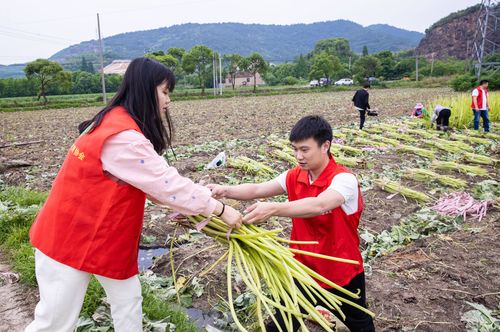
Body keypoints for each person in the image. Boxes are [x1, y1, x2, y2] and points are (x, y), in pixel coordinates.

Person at [25, 57, 242, 332]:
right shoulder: (123, 137)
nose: (168, 101)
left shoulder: (111, 120)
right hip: (68, 239)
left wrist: (190, 201)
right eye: (164, 92)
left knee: (128, 301)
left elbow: (150, 184)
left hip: (99, 236)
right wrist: (221, 209)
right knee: (54, 323)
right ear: (145, 89)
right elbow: (166, 184)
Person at [208, 116, 375, 332]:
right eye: (295, 149)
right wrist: (226, 190)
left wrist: (275, 208)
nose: (298, 156)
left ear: (326, 146)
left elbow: (320, 204)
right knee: (282, 323)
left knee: (359, 323)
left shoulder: (344, 179)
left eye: (305, 150)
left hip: (340, 272)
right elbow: (258, 189)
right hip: (300, 268)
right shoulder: (294, 176)